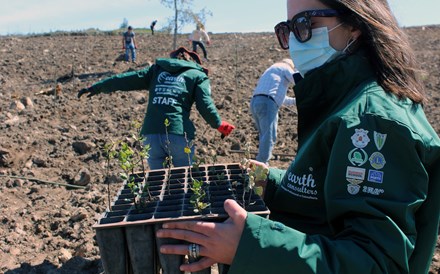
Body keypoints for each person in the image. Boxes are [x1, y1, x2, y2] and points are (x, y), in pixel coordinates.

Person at [156, 0, 440, 273]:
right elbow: (329, 192)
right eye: (287, 29)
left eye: (304, 25)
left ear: (355, 23)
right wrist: (271, 182)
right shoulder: (347, 103)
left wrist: (250, 245)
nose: (293, 41)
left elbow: (376, 264)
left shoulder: (373, 122)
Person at [78, 47, 235, 169]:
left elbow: (125, 80)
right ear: (195, 62)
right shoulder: (197, 75)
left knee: (157, 182)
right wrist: (218, 124)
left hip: (150, 135)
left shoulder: (156, 70)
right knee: (185, 181)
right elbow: (205, 103)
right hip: (178, 134)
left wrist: (96, 87)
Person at [251, 58, 302, 165]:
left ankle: (262, 160)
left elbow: (281, 98)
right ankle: (262, 164)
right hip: (268, 103)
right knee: (269, 136)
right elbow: (296, 79)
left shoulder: (271, 70)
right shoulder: (285, 67)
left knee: (264, 134)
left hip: (255, 102)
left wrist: (297, 101)